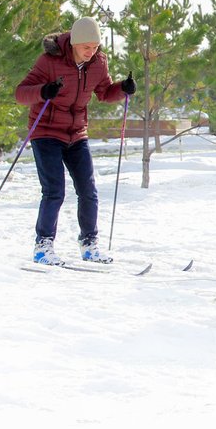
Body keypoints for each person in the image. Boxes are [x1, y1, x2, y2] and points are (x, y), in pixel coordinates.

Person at [15, 17, 135, 265]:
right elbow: (21, 93)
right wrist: (43, 91)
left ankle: (89, 244)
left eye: (95, 46)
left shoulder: (98, 62)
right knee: (54, 191)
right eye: (86, 47)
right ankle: (43, 246)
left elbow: (104, 93)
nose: (91, 52)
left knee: (88, 191)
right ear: (73, 44)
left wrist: (123, 88)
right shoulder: (50, 61)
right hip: (46, 132)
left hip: (76, 133)